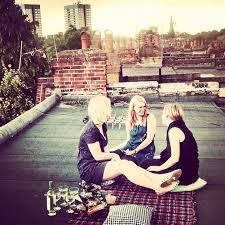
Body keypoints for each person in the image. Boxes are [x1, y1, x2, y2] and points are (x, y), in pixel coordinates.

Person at [77, 95, 182, 195]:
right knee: (124, 166)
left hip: (100, 164)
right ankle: (158, 187)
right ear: (100, 111)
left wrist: (112, 156)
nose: (110, 111)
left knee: (128, 163)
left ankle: (162, 178)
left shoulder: (102, 125)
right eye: (108, 109)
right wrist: (114, 156)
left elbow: (105, 151)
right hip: (89, 169)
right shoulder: (90, 131)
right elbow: (98, 156)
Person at [141, 103, 199, 185]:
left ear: (168, 115)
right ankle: (167, 179)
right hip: (191, 170)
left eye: (163, 114)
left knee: (145, 166)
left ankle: (169, 181)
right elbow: (172, 150)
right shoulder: (179, 125)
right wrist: (158, 157)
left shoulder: (174, 130)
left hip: (185, 173)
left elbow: (175, 158)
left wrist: (159, 168)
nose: (161, 116)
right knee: (147, 163)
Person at [112, 95, 156, 166]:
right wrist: (114, 149)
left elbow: (149, 139)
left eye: (144, 106)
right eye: (140, 107)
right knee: (112, 156)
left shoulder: (150, 118)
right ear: (133, 108)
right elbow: (128, 140)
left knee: (126, 163)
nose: (143, 109)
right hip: (130, 147)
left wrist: (134, 151)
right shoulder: (129, 120)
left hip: (144, 150)